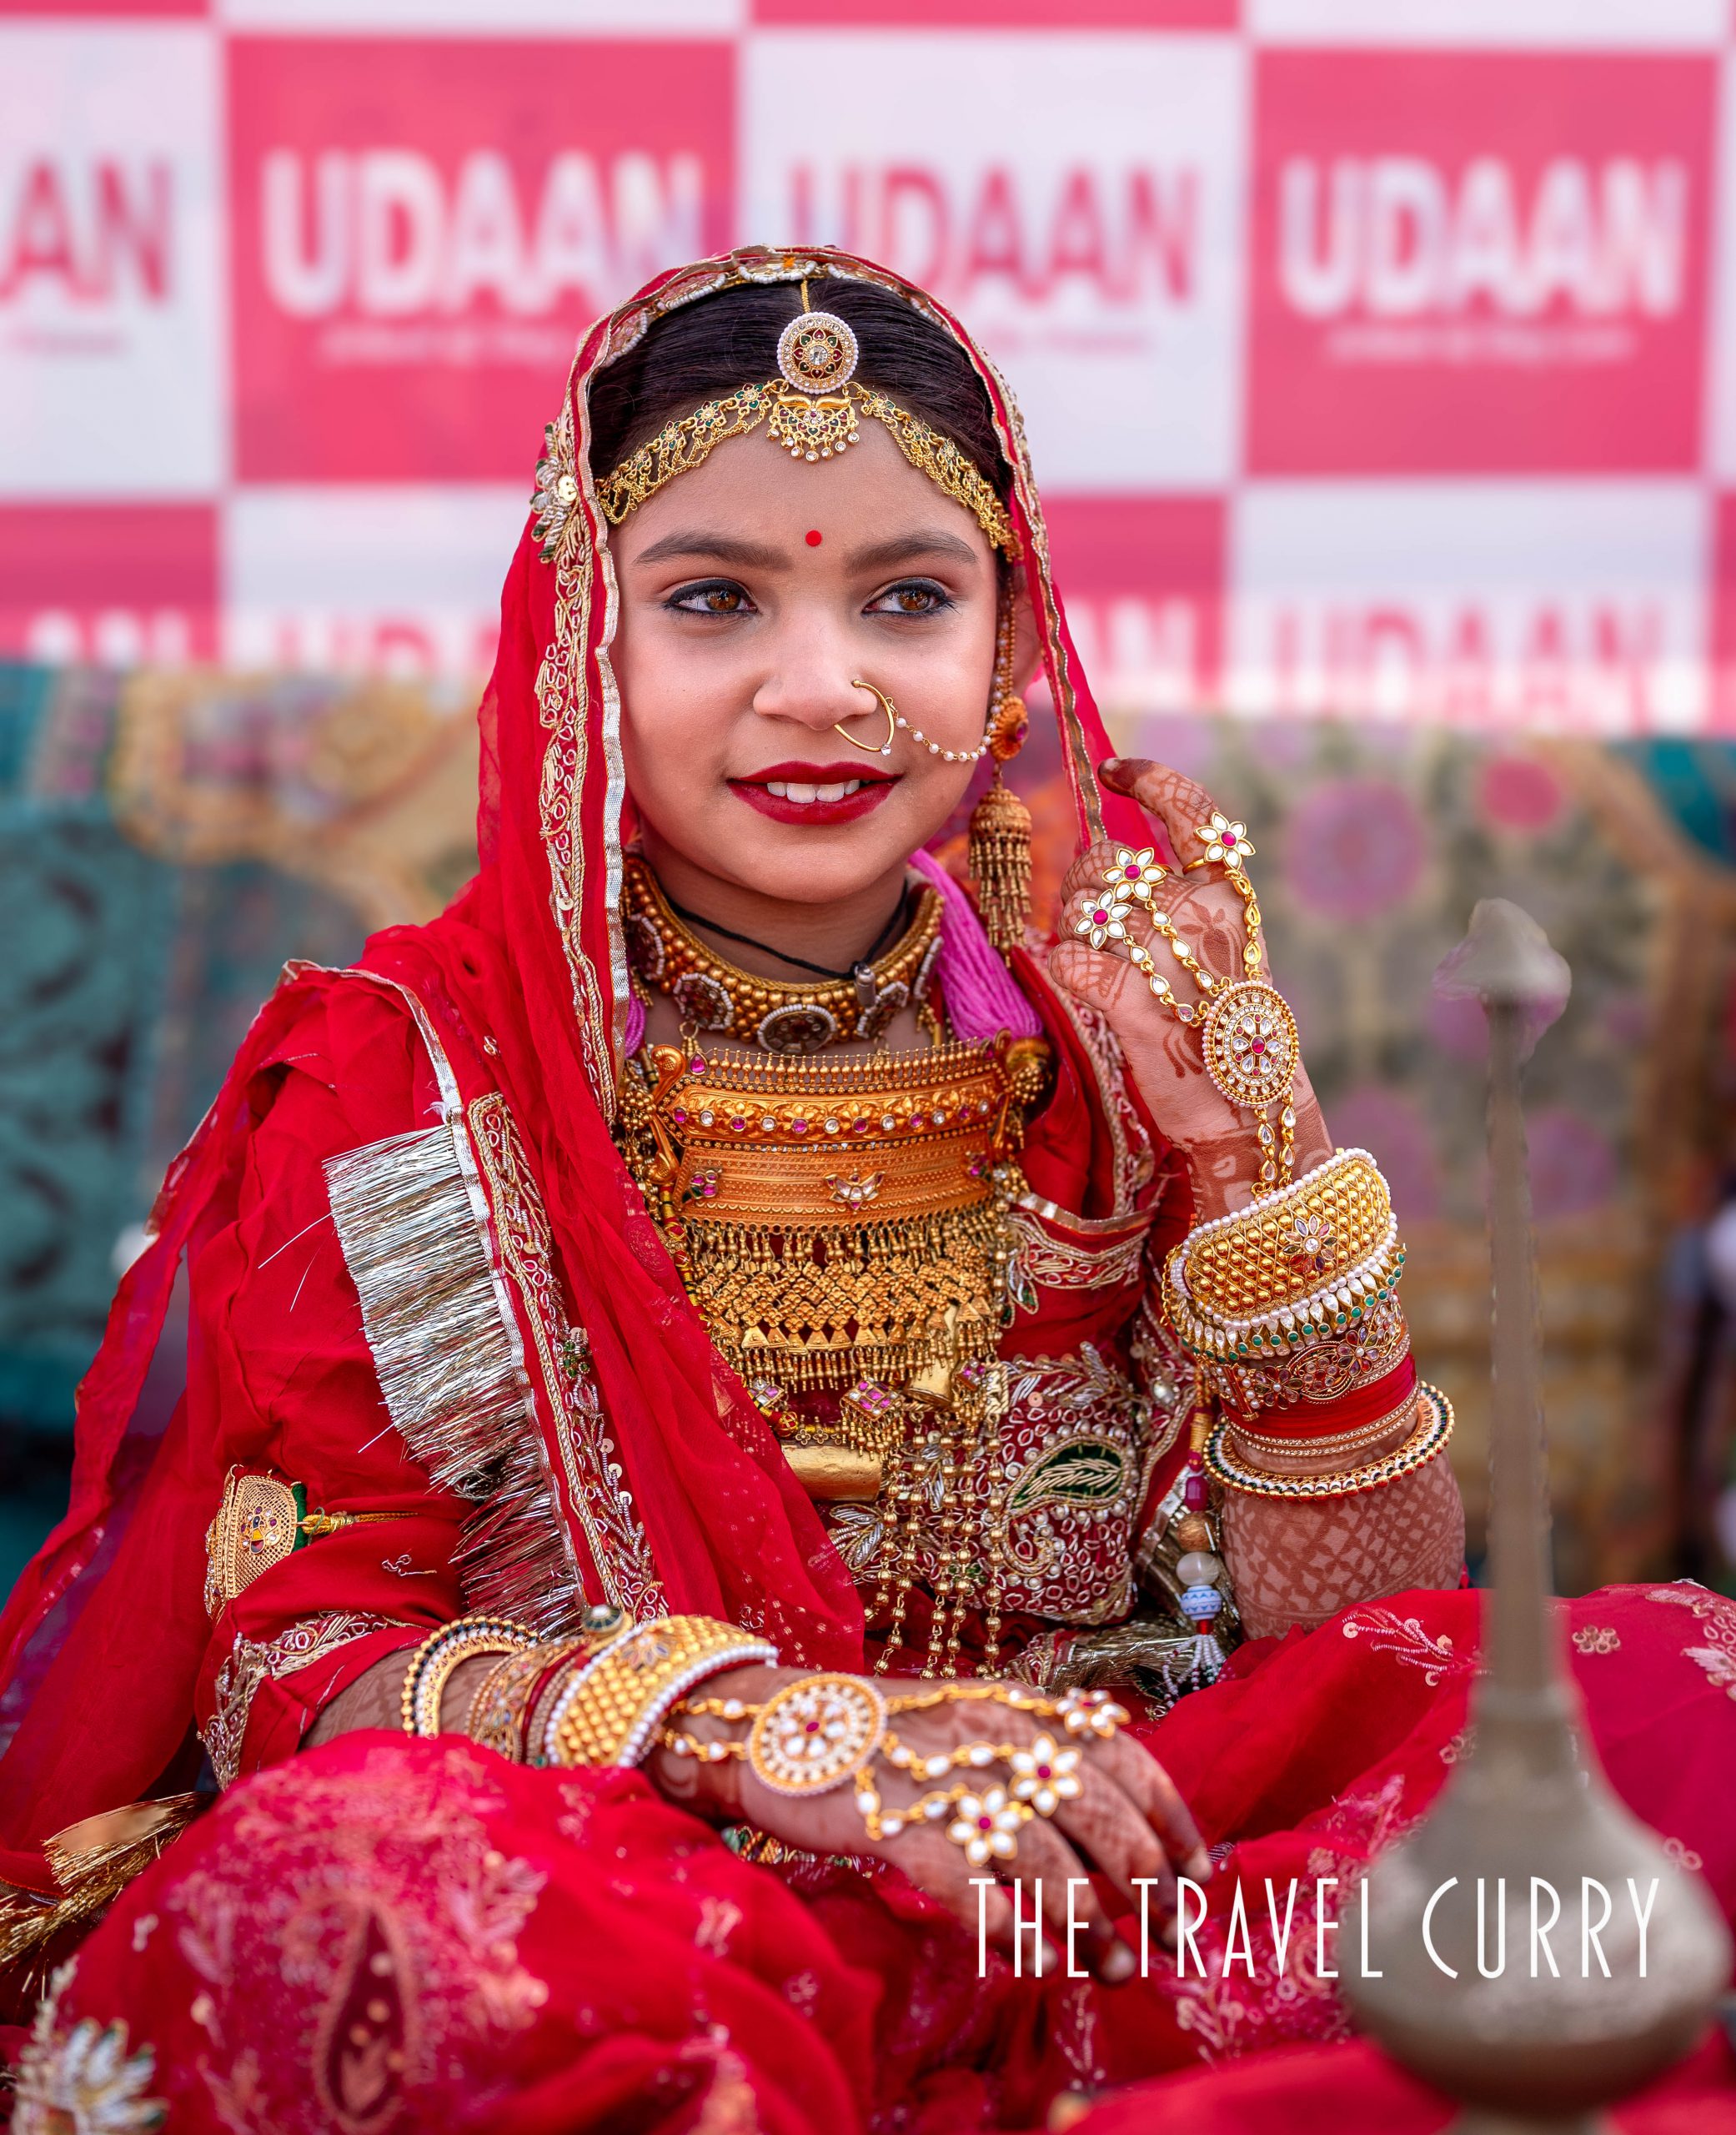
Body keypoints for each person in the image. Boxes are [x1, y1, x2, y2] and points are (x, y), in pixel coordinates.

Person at [0, 249, 1728, 2135]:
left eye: (907, 597)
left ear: (1005, 639)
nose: (818, 686)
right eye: (715, 598)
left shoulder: (1114, 1016)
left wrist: (1254, 1158)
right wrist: (771, 1736)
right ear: (590, 634)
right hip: (647, 1907)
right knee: (369, 1900)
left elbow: (1366, 1643)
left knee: (1674, 1707)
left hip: (1107, 1902)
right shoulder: (414, 1071)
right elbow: (297, 1666)